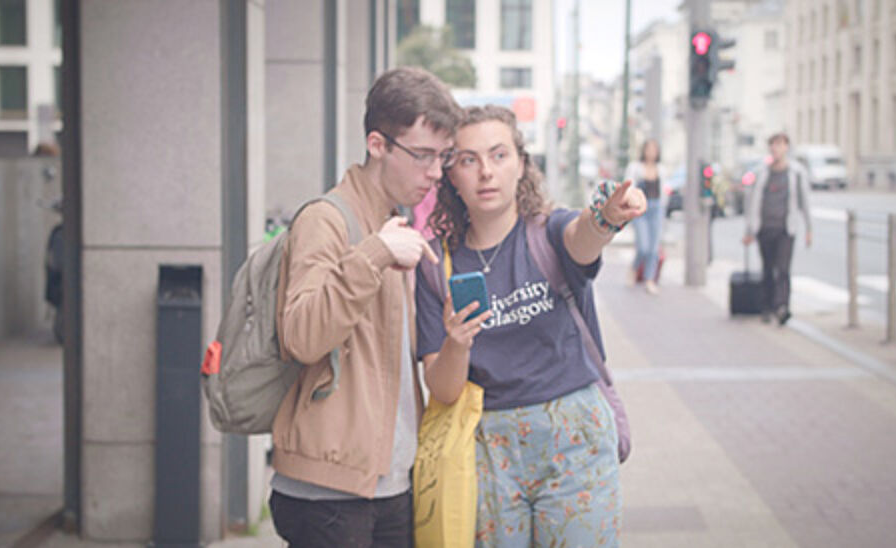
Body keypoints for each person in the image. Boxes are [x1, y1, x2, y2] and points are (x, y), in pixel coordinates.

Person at [417, 105, 646, 546]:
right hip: (489, 452)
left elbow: (582, 238)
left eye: (499, 155)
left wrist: (605, 218)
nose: (486, 171)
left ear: (521, 165)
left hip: (576, 441)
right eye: (468, 160)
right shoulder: (433, 266)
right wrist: (456, 342)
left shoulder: (548, 232)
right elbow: (443, 389)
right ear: (451, 176)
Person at [270, 66, 461, 547]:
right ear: (377, 144)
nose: (436, 173)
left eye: (442, 157)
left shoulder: (394, 223)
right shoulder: (326, 219)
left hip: (388, 481)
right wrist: (373, 255)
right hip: (328, 491)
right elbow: (302, 335)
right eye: (422, 155)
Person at [742, 132, 813, 326]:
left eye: (780, 144)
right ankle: (767, 307)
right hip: (764, 227)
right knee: (767, 269)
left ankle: (782, 307)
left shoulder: (796, 173)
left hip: (786, 228)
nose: (776, 148)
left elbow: (804, 202)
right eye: (773, 145)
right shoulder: (761, 172)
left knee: (783, 269)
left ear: (787, 147)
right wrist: (749, 231)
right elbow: (752, 203)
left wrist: (809, 228)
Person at [623, 139, 668, 294]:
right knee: (643, 246)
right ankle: (634, 269)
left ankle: (650, 280)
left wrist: (663, 210)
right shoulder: (635, 168)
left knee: (654, 248)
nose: (651, 153)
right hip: (641, 209)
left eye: (654, 149)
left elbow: (664, 191)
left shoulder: (661, 169)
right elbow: (628, 187)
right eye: (648, 149)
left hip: (656, 208)